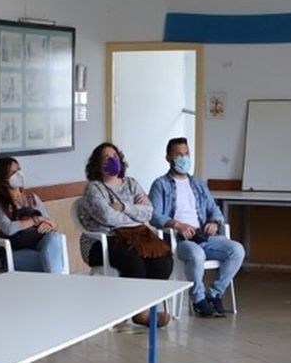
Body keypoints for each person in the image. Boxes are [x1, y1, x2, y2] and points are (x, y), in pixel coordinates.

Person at [74, 142, 174, 327]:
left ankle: (142, 308)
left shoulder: (131, 183)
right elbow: (108, 217)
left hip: (138, 236)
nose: (113, 160)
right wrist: (135, 212)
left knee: (163, 260)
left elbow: (149, 212)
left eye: (115, 156)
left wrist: (124, 207)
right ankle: (140, 313)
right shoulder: (94, 188)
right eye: (106, 157)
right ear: (97, 164)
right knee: (134, 261)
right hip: (102, 241)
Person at [148, 137, 244, 317]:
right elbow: (154, 215)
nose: (184, 158)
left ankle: (214, 293)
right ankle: (198, 299)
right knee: (196, 254)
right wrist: (177, 225)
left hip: (203, 236)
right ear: (169, 158)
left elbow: (214, 209)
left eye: (186, 154)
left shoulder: (199, 184)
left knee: (237, 250)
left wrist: (214, 222)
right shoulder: (160, 184)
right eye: (179, 155)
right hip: (178, 239)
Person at [0, 156, 65, 273]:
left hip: (39, 243)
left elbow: (50, 222)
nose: (18, 174)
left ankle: (52, 286)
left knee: (54, 238)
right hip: (15, 252)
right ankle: (55, 287)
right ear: (2, 179)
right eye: (13, 172)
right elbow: (9, 228)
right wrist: (36, 220)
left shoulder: (32, 198)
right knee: (51, 259)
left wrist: (48, 225)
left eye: (19, 169)